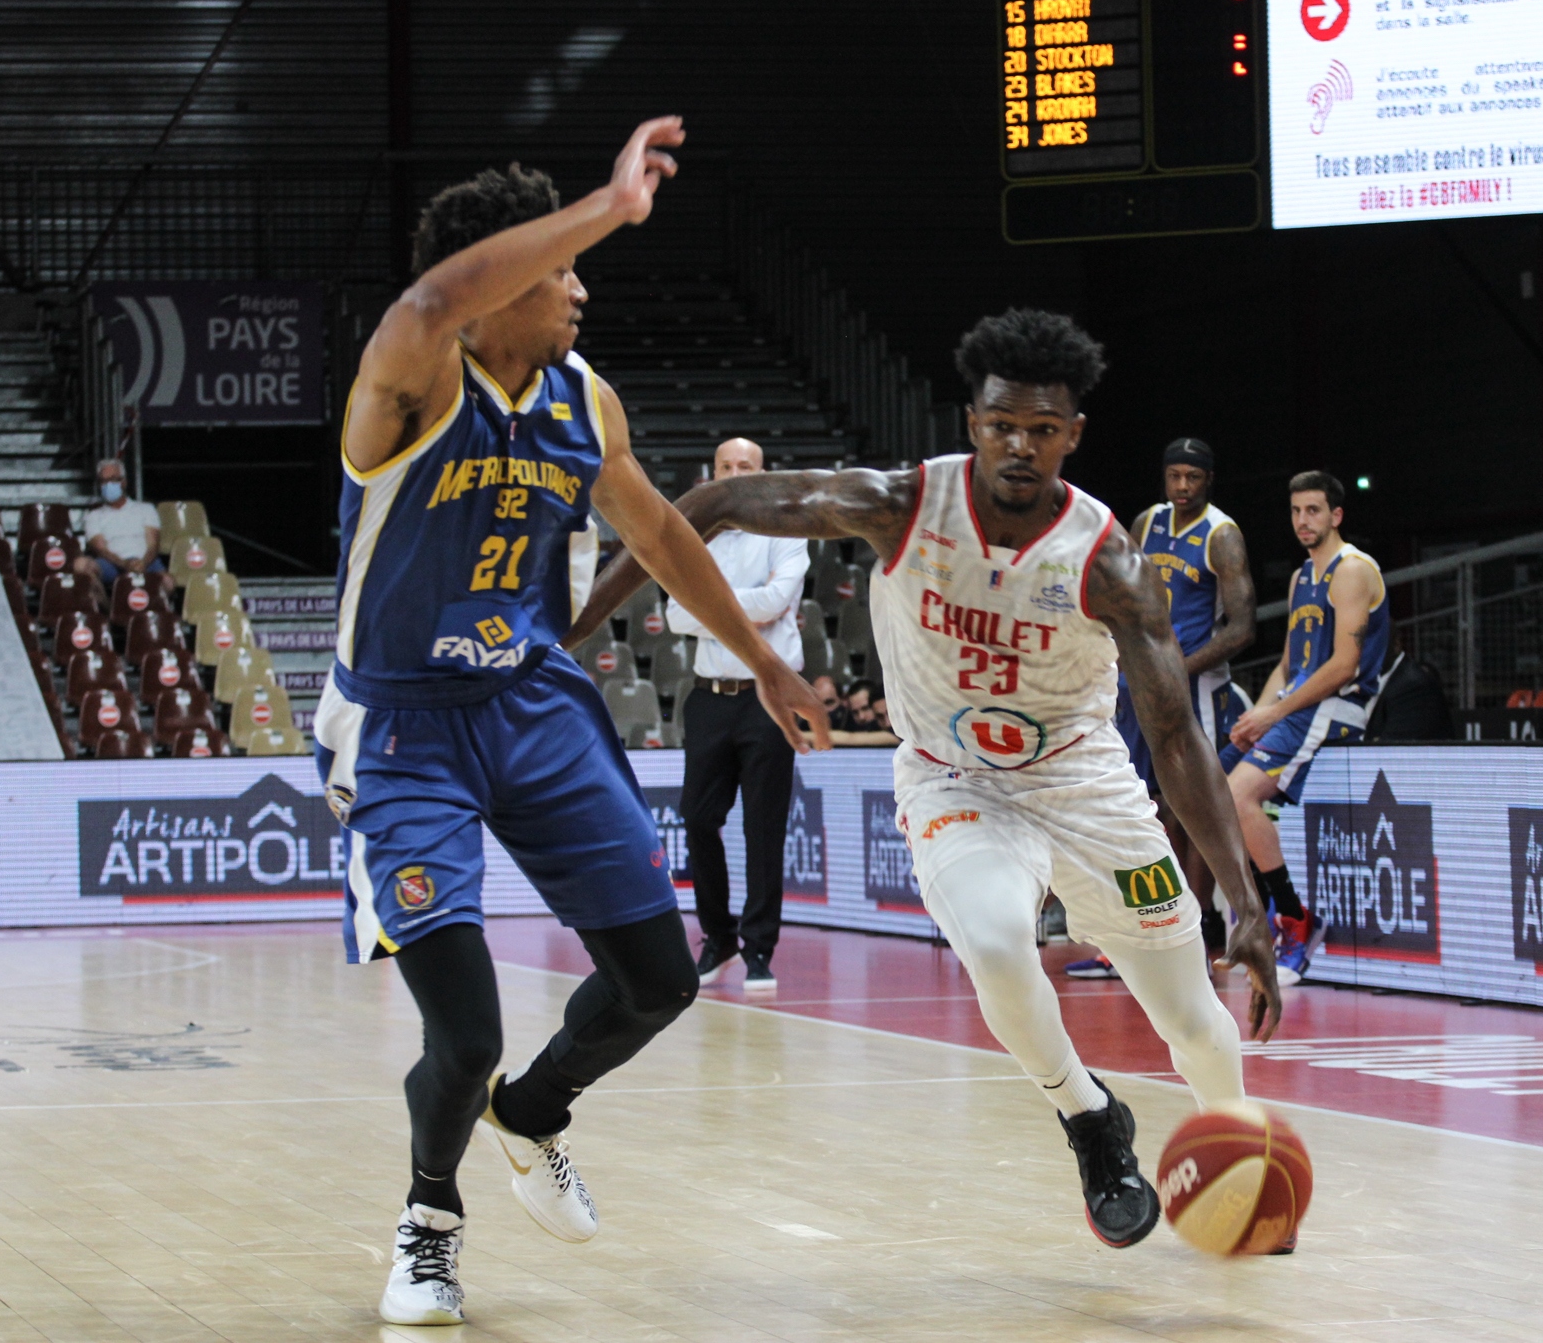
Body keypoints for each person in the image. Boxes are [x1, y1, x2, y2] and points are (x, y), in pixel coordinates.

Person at [576, 308, 1281, 1251]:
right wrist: (578, 620)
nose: (1019, 446)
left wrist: (1242, 898)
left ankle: (1241, 1157)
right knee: (994, 943)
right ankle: (1088, 1117)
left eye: (1041, 429)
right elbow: (703, 508)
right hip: (955, 780)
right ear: (972, 421)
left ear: (1073, 434)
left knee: (1192, 1020)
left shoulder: (1107, 560)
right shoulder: (900, 504)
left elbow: (1175, 737)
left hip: (1085, 785)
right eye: (1001, 425)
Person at [313, 119, 828, 1326]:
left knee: (658, 982)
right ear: (502, 279)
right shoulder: (409, 371)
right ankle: (428, 1216)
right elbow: (440, 290)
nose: (583, 286)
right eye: (559, 271)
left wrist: (760, 663)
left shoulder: (581, 399)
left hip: (534, 706)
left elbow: (656, 532)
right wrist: (607, 201)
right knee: (466, 1026)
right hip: (403, 730)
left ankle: (534, 1115)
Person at [1069, 437, 1254, 982]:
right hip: (1138, 681)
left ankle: (1192, 932)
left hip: (1194, 682)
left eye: (1191, 478)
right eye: (1173, 476)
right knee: (1140, 803)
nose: (1181, 487)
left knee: (1187, 805)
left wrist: (1182, 668)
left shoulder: (1223, 536)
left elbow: (1243, 627)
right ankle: (1148, 925)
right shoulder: (1148, 522)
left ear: (1208, 480)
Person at [1224, 471, 1390, 985]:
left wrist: (1276, 713)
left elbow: (1344, 665)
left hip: (1339, 707)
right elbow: (1291, 662)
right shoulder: (1301, 578)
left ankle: (1294, 920)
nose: (1303, 521)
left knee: (1237, 795)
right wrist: (1263, 709)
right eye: (1296, 511)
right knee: (1212, 784)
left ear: (1336, 515)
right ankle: (1252, 915)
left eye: (1313, 510)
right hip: (1299, 705)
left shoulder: (1353, 571)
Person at [665, 436, 811, 994]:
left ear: (761, 473)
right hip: (708, 695)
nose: (733, 474)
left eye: (744, 466)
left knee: (763, 826)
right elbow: (675, 616)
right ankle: (718, 937)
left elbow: (778, 601)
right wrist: (733, 603)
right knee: (698, 817)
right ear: (713, 472)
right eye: (725, 466)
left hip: (765, 696)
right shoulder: (693, 536)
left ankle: (759, 949)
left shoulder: (787, 530)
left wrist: (712, 603)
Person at [80, 458, 163, 584]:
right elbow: (101, 549)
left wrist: (142, 564)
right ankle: (108, 604)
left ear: (123, 482)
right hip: (111, 564)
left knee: (168, 582)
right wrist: (125, 564)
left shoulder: (146, 509)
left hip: (145, 561)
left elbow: (153, 545)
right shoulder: (93, 516)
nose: (108, 485)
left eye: (113, 479)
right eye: (104, 481)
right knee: (82, 566)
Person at [829, 678, 902, 747]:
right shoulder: (860, 727)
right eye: (855, 712)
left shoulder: (904, 733)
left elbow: (851, 738)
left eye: (865, 708)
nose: (861, 717)